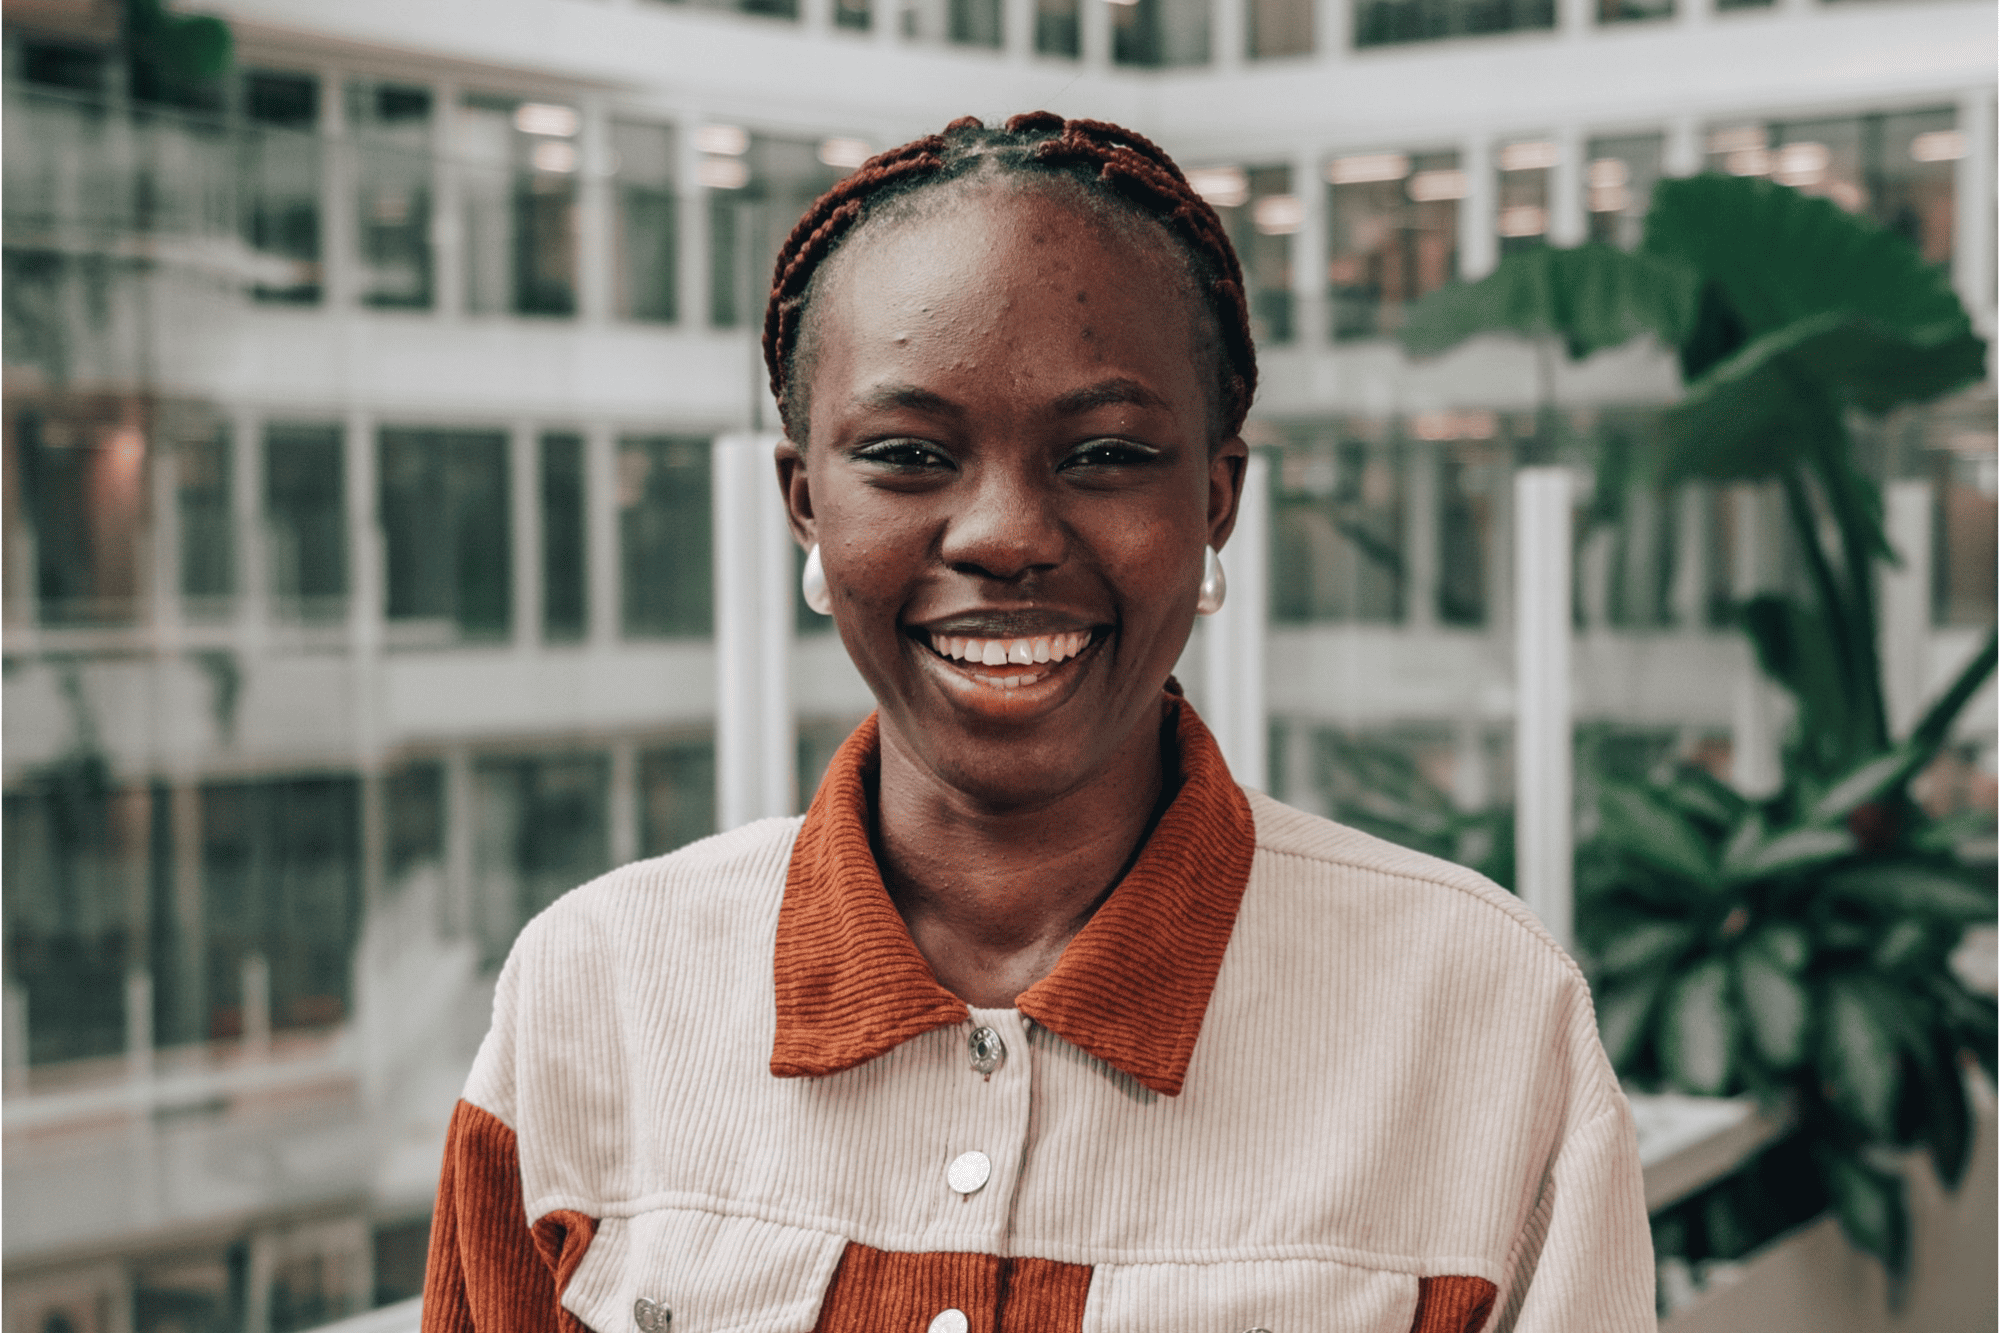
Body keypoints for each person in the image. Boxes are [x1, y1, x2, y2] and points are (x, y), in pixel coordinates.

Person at [421, 113, 1656, 1333]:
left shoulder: (1483, 1013)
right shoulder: (594, 989)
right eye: (906, 455)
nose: (1004, 535)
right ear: (805, 501)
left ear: (1215, 498)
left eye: (1105, 453)